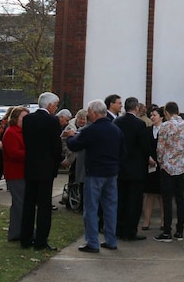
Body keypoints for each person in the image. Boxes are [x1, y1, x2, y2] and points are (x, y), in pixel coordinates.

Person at [66, 99, 125, 253]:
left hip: (95, 173)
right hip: (111, 173)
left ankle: (92, 242)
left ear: (93, 112)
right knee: (110, 207)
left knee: (91, 208)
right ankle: (111, 240)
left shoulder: (91, 130)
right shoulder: (115, 130)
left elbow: (75, 145)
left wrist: (70, 136)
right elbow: (122, 152)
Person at [20, 92, 63, 251]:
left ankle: (25, 238)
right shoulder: (52, 121)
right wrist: (56, 163)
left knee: (29, 203)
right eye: (56, 104)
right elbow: (56, 146)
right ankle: (40, 241)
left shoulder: (27, 119)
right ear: (50, 105)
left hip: (30, 166)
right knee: (44, 206)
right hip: (45, 169)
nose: (56, 108)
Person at [154, 101, 184, 242]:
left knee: (167, 200)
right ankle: (180, 230)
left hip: (167, 166)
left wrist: (161, 160)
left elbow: (160, 147)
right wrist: (181, 156)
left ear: (166, 112)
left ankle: (167, 231)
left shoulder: (165, 126)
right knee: (180, 199)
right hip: (181, 166)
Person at [115, 97, 151, 240]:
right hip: (136, 168)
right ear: (136, 108)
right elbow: (144, 146)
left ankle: (119, 229)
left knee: (121, 199)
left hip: (120, 167)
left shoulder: (117, 122)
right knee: (134, 201)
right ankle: (130, 231)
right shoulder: (139, 124)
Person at [2, 106, 29, 242]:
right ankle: (22, 232)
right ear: (16, 118)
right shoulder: (11, 132)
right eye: (23, 118)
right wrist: (30, 153)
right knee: (20, 203)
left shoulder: (22, 132)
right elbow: (13, 153)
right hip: (15, 173)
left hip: (22, 172)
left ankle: (16, 232)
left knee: (19, 203)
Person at [142, 105, 164, 231]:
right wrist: (148, 157)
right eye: (151, 115)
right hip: (151, 165)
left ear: (161, 116)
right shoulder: (148, 130)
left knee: (162, 194)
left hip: (162, 165)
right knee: (149, 194)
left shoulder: (165, 130)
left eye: (154, 115)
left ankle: (163, 221)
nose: (152, 117)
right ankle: (146, 221)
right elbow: (145, 146)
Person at [0, 107, 14, 191]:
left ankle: (6, 184)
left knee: (5, 167)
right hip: (2, 148)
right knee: (2, 167)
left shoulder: (5, 123)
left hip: (7, 147)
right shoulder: (2, 124)